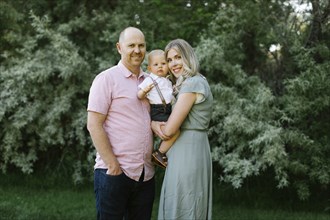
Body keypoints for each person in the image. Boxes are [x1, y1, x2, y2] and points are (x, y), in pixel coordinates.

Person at [87, 27, 155, 220]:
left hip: (145, 174)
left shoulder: (151, 81)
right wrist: (113, 165)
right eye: (131, 45)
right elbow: (94, 125)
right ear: (119, 47)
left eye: (141, 45)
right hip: (115, 173)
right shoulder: (106, 79)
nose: (137, 50)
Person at [152, 39, 213, 219]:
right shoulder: (196, 81)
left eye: (178, 57)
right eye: (169, 60)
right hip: (193, 148)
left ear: (188, 57)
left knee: (183, 203)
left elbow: (170, 129)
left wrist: (152, 123)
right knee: (186, 202)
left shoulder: (192, 84)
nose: (173, 64)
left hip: (188, 150)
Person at [137, 49, 180, 168]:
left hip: (168, 109)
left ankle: (162, 152)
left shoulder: (167, 81)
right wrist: (144, 91)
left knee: (171, 130)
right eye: (156, 65)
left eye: (163, 63)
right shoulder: (149, 80)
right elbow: (139, 95)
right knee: (174, 130)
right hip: (158, 110)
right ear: (150, 68)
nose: (160, 67)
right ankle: (159, 153)